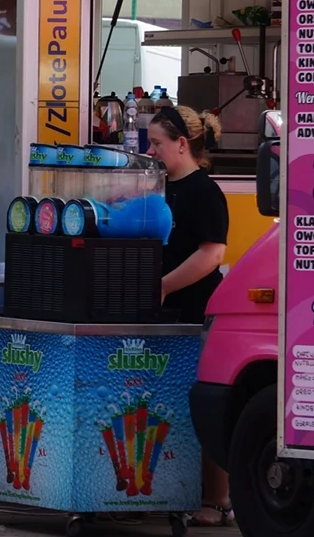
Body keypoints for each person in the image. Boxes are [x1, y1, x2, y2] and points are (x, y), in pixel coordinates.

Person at [146, 105, 231, 527]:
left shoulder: (204, 191)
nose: (150, 150)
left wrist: (163, 285)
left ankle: (217, 500)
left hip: (198, 312)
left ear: (182, 144)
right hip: (164, 314)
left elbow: (212, 254)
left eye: (157, 143)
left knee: (204, 405)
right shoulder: (157, 188)